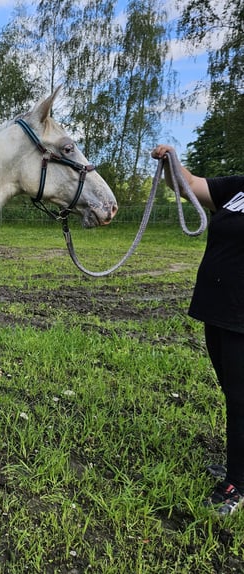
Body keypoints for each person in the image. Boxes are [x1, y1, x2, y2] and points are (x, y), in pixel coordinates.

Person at [152, 144, 244, 516]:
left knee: (241, 398)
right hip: (217, 310)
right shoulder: (238, 188)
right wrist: (172, 162)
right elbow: (188, 184)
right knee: (232, 393)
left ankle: (237, 484)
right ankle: (239, 464)